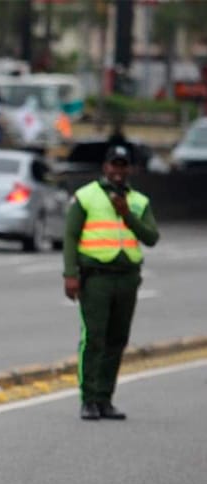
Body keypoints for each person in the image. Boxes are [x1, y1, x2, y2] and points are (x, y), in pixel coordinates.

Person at [62, 145, 159, 421]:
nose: (118, 171)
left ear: (130, 169)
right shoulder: (86, 196)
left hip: (127, 277)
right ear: (105, 167)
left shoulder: (139, 201)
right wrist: (70, 274)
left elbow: (151, 238)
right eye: (114, 165)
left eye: (123, 166)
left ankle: (105, 398)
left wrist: (127, 214)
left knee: (117, 339)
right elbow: (70, 237)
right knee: (94, 338)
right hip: (96, 277)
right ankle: (88, 398)